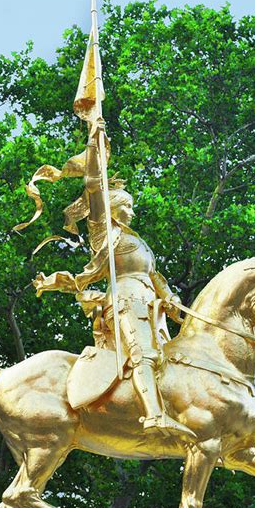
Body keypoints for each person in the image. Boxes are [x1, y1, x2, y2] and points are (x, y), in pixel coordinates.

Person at [35, 122, 191, 439]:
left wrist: (172, 300)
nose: (132, 211)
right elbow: (94, 187)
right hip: (124, 302)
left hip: (151, 306)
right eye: (126, 206)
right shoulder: (106, 233)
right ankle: (154, 415)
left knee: (169, 361)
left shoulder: (140, 244)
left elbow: (154, 276)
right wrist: (95, 144)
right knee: (143, 355)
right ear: (114, 210)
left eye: (132, 206)